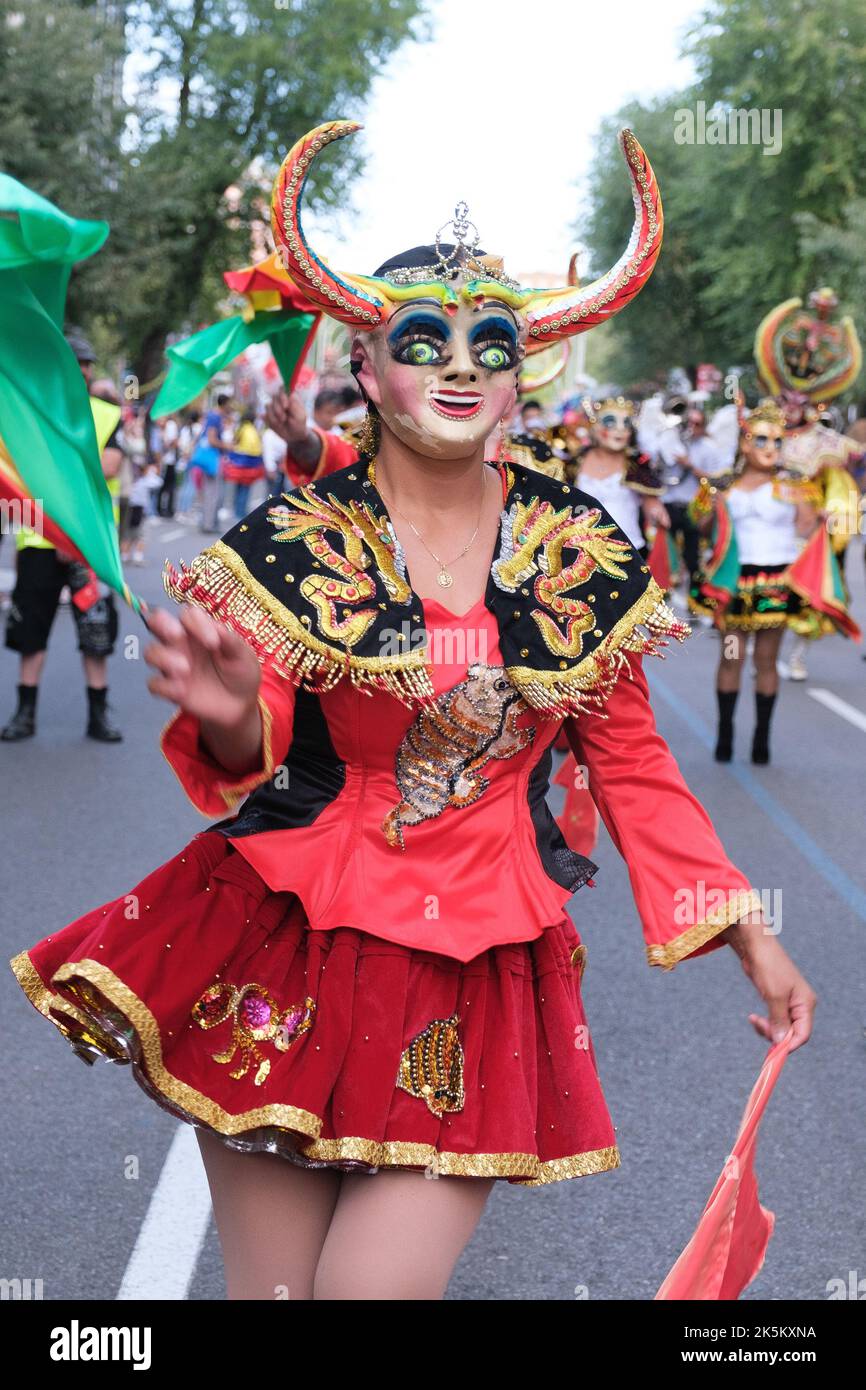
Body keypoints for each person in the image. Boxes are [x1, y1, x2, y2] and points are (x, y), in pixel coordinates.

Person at [10, 121, 814, 1302]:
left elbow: (634, 766)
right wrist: (236, 714)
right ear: (367, 368)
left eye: (490, 343)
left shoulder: (575, 546)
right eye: (420, 340)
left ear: (519, 373)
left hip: (471, 961)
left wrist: (743, 927)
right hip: (282, 937)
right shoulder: (300, 537)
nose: (459, 365)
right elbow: (257, 747)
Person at [689, 400, 856, 763]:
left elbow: (807, 530)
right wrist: (714, 508)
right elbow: (702, 530)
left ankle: (762, 736)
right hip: (733, 586)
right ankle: (726, 732)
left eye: (777, 442)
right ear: (745, 443)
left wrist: (822, 517)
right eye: (762, 441)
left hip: (774, 586)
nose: (770, 449)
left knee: (766, 660)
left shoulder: (795, 485)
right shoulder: (721, 485)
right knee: (731, 656)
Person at [2, 330, 123, 743]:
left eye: (86, 365)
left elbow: (110, 464)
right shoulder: (26, 416)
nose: (82, 372)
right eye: (76, 364)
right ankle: (25, 714)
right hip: (38, 542)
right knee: (30, 630)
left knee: (97, 629)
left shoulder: (105, 414)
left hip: (88, 546)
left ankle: (99, 715)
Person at [568, 395, 667, 554]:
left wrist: (656, 514)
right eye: (610, 422)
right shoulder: (575, 462)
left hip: (629, 552)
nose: (620, 428)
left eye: (626, 423)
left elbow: (653, 506)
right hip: (582, 555)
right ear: (595, 426)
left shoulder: (636, 464)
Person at [654, 405, 724, 585]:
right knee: (666, 553)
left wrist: (690, 465)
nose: (692, 427)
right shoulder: (669, 440)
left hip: (694, 508)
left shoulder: (708, 448)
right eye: (688, 422)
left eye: (697, 424)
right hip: (668, 504)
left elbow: (715, 480)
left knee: (693, 555)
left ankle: (695, 594)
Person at [264, 385, 362, 488]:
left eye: (336, 413)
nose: (332, 417)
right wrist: (301, 439)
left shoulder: (340, 432)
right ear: (316, 411)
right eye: (329, 412)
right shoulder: (302, 427)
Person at [195, 393, 233, 533]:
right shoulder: (215, 417)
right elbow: (211, 439)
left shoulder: (214, 416)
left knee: (212, 492)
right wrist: (226, 445)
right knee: (213, 492)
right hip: (212, 459)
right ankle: (208, 524)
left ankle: (209, 522)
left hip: (212, 458)